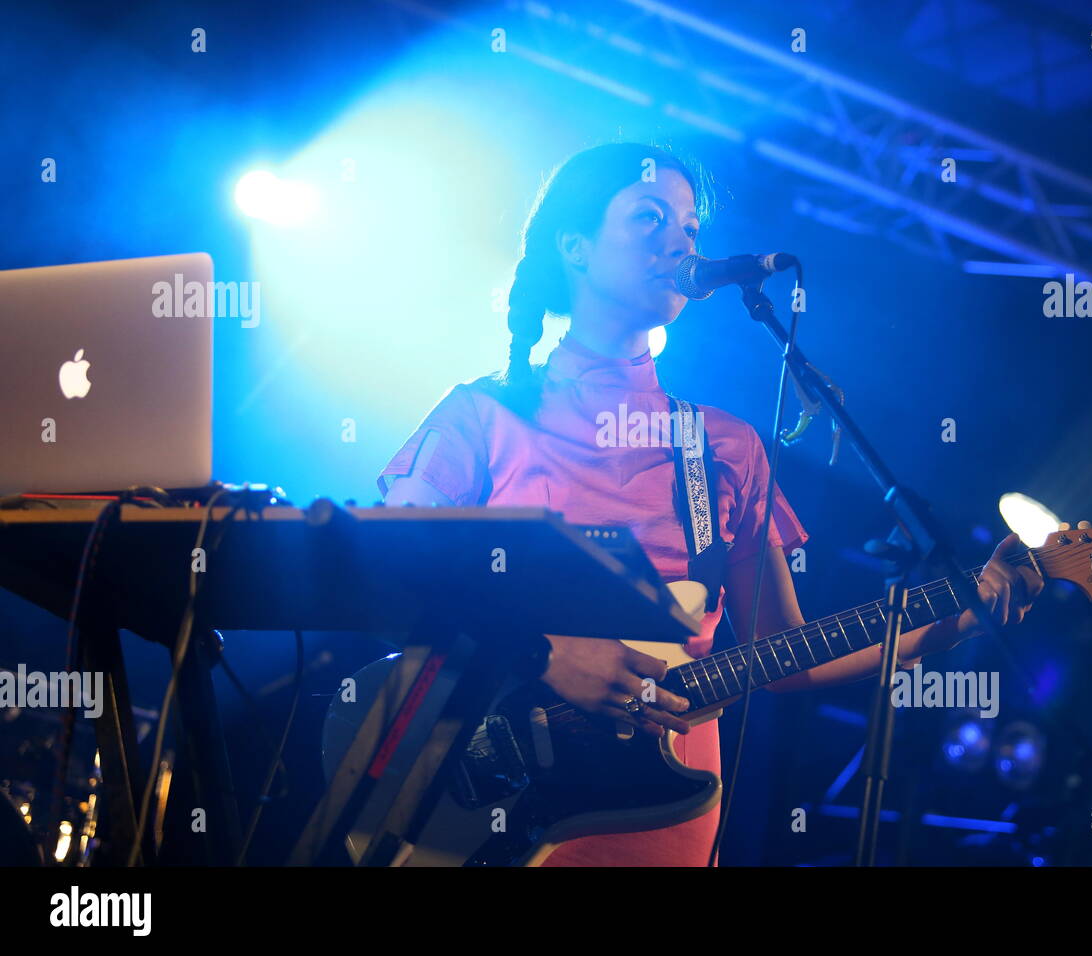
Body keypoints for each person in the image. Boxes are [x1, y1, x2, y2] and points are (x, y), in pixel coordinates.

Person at [378, 142, 1043, 866]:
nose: (680, 240)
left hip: (661, 809)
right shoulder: (483, 414)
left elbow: (785, 656)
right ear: (574, 246)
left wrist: (948, 625)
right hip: (477, 791)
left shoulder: (725, 448)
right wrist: (544, 654)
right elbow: (384, 563)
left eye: (691, 229)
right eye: (648, 217)